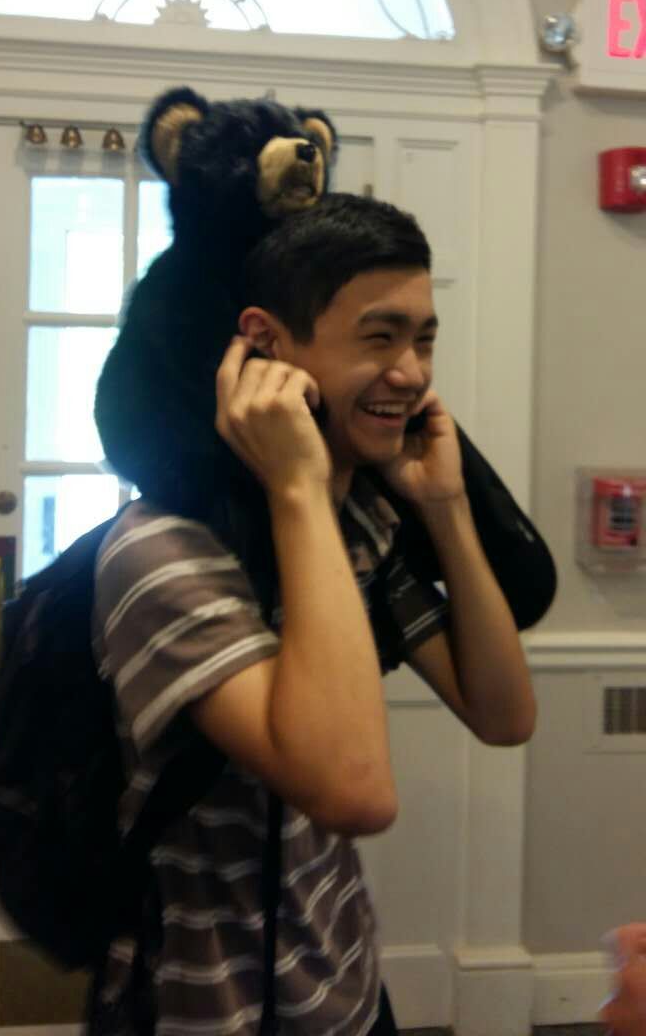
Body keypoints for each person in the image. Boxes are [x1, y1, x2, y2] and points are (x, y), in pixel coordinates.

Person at [90, 193, 537, 1036]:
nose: (411, 373)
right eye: (379, 336)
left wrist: (444, 508)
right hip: (211, 1008)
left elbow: (503, 713)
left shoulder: (358, 525)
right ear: (265, 343)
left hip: (346, 983)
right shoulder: (162, 555)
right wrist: (296, 482)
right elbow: (354, 793)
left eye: (423, 338)